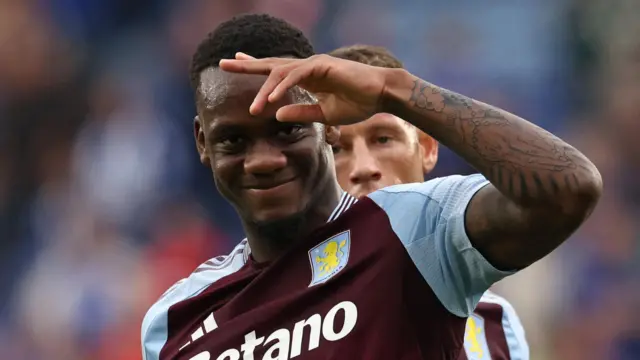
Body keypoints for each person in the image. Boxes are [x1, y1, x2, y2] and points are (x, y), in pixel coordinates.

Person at [141, 14, 602, 360]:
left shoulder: (412, 229)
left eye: (287, 131)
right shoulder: (174, 321)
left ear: (326, 126)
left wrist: (392, 88)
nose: (263, 160)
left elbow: (568, 187)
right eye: (234, 139)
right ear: (203, 142)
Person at [327, 44, 529, 360]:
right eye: (337, 149)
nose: (364, 167)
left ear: (427, 148)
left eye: (383, 139)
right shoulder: (283, 317)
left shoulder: (495, 323)